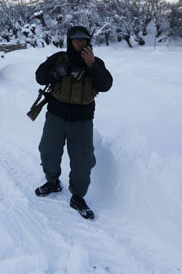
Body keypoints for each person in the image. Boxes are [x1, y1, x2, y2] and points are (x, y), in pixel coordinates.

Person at [34, 26, 112, 220]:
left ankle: (78, 196)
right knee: (48, 151)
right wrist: (56, 73)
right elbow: (39, 76)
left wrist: (92, 64)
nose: (81, 43)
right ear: (69, 41)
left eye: (84, 39)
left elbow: (106, 85)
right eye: (76, 39)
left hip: (82, 120)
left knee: (82, 160)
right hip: (55, 116)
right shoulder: (58, 58)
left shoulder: (95, 62)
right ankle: (53, 182)